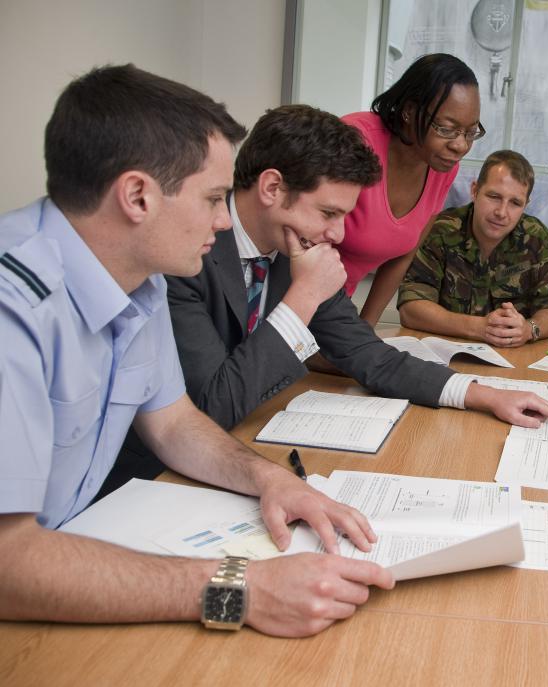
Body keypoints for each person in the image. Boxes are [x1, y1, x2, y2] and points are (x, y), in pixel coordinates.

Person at [0, 64, 394, 637]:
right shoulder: (14, 309)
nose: (221, 219)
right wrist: (238, 589)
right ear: (137, 195)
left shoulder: (143, 277)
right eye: (212, 198)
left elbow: (176, 422)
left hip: (71, 555)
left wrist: (271, 481)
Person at [100, 104, 548, 492]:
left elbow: (372, 357)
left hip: (244, 447)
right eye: (328, 213)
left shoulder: (293, 249)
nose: (337, 233)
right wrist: (302, 298)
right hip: (146, 481)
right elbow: (211, 407)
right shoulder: (185, 254)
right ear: (272, 188)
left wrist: (482, 395)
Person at [340, 53, 483, 325]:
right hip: (290, 295)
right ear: (408, 111)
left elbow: (404, 254)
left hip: (333, 306)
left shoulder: (442, 167)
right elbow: (304, 239)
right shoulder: (354, 141)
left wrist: (366, 326)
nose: (460, 146)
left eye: (470, 132)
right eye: (446, 129)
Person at [397, 150, 548, 347]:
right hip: (446, 354)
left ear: (526, 205)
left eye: (515, 203)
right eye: (494, 196)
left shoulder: (540, 240)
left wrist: (529, 329)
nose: (501, 212)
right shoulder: (441, 230)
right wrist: (478, 328)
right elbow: (410, 309)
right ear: (475, 190)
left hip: (514, 358)